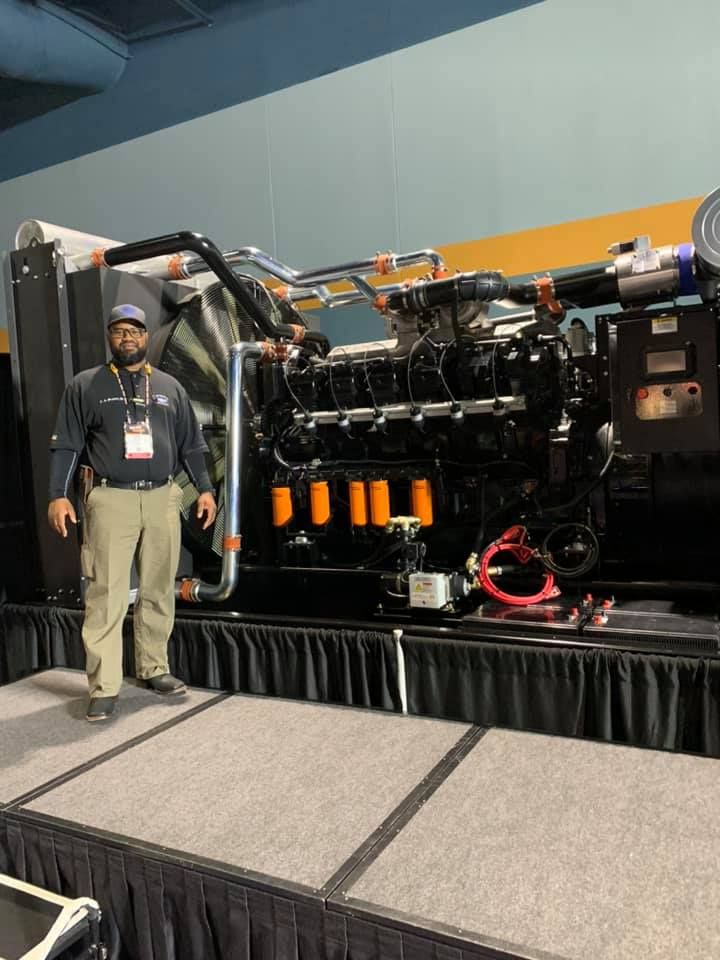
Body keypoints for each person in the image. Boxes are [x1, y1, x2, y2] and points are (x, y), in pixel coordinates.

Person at [47, 304, 217, 722]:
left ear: (145, 337)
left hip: (163, 497)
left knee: (160, 587)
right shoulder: (86, 385)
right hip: (111, 499)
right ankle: (104, 686)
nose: (128, 338)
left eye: (135, 331)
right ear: (110, 336)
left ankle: (153, 668)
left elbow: (191, 446)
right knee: (107, 594)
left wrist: (206, 490)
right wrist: (58, 494)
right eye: (120, 331)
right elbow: (66, 444)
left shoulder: (169, 386)